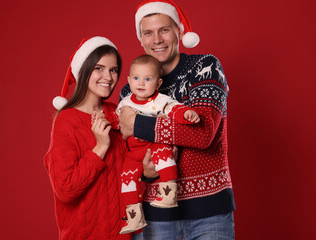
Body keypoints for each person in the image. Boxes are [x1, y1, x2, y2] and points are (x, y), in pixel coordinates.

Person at [118, 0, 236, 239]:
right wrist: (146, 172)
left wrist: (138, 124)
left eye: (164, 30)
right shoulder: (128, 93)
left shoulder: (205, 67)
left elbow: (202, 133)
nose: (157, 39)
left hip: (209, 213)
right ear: (140, 39)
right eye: (148, 33)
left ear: (179, 32)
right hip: (155, 218)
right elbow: (130, 152)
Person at [44, 36, 132, 240]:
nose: (108, 77)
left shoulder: (118, 112)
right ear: (84, 70)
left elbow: (131, 171)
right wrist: (100, 147)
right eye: (99, 68)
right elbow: (65, 190)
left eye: (113, 70)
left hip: (128, 234)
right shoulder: (66, 121)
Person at [109, 54, 199, 234]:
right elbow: (117, 122)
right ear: (128, 80)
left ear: (157, 84)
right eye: (136, 78)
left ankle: (169, 192)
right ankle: (134, 216)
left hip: (153, 143)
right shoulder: (125, 102)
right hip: (135, 152)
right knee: (126, 176)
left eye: (147, 79)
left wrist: (186, 113)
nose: (140, 83)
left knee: (163, 151)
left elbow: (173, 109)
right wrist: (107, 121)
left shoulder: (159, 100)